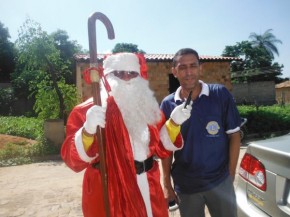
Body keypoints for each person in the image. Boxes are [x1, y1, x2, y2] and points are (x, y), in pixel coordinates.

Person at [61, 52, 185, 217]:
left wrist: (174, 123)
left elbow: (161, 148)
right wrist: (87, 130)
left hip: (147, 186)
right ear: (106, 76)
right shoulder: (86, 111)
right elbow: (72, 160)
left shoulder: (148, 108)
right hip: (108, 188)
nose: (126, 78)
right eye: (119, 73)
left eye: (132, 73)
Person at [160, 48, 241, 217]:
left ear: (200, 68)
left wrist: (230, 176)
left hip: (219, 181)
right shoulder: (168, 104)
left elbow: (234, 135)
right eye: (182, 67)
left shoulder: (219, 94)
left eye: (193, 66)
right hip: (186, 186)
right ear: (174, 71)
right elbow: (165, 149)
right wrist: (167, 184)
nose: (188, 72)